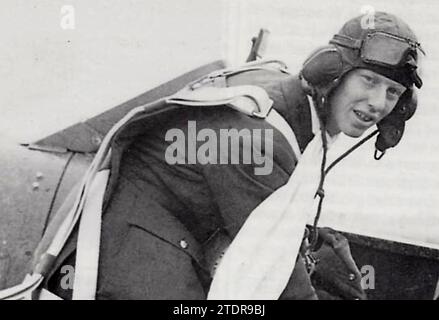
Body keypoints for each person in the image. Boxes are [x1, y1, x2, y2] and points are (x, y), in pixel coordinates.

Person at [35, 11, 423, 300]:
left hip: (163, 239)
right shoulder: (262, 141)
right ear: (332, 73)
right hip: (122, 267)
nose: (377, 103)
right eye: (369, 81)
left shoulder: (284, 100)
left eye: (392, 93)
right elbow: (279, 274)